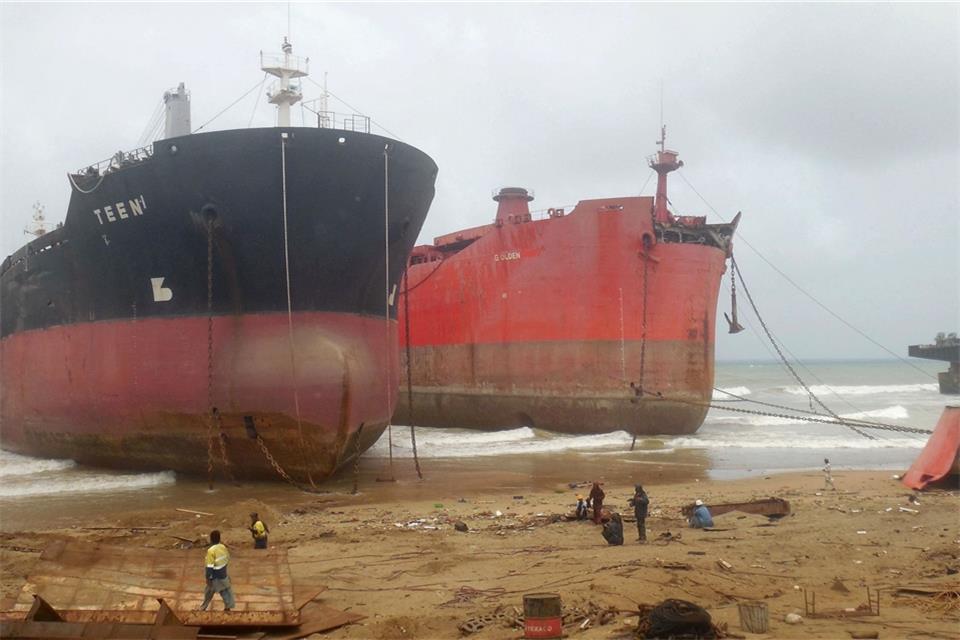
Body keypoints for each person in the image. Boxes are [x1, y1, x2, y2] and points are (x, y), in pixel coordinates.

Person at [200, 530, 235, 611]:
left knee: (211, 592)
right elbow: (227, 558)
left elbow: (209, 567)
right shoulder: (223, 547)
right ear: (219, 539)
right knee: (224, 591)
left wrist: (208, 578)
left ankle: (203, 608)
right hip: (223, 573)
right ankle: (227, 607)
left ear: (211, 539)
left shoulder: (211, 551)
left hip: (215, 577)